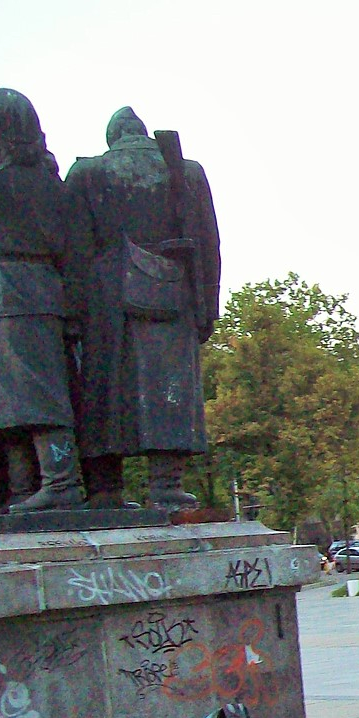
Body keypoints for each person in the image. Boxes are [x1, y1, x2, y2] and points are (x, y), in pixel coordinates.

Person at [63, 107, 220, 510]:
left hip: (105, 303)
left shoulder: (86, 174)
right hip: (173, 294)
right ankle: (166, 485)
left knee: (104, 391)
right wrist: (208, 307)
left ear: (112, 138)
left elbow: (73, 252)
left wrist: (72, 317)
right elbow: (209, 244)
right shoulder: (186, 172)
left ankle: (105, 489)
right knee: (170, 390)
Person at [0, 87, 89, 512]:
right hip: (41, 291)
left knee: (32, 395)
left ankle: (58, 483)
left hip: (10, 293)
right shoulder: (53, 184)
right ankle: (24, 489)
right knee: (12, 397)